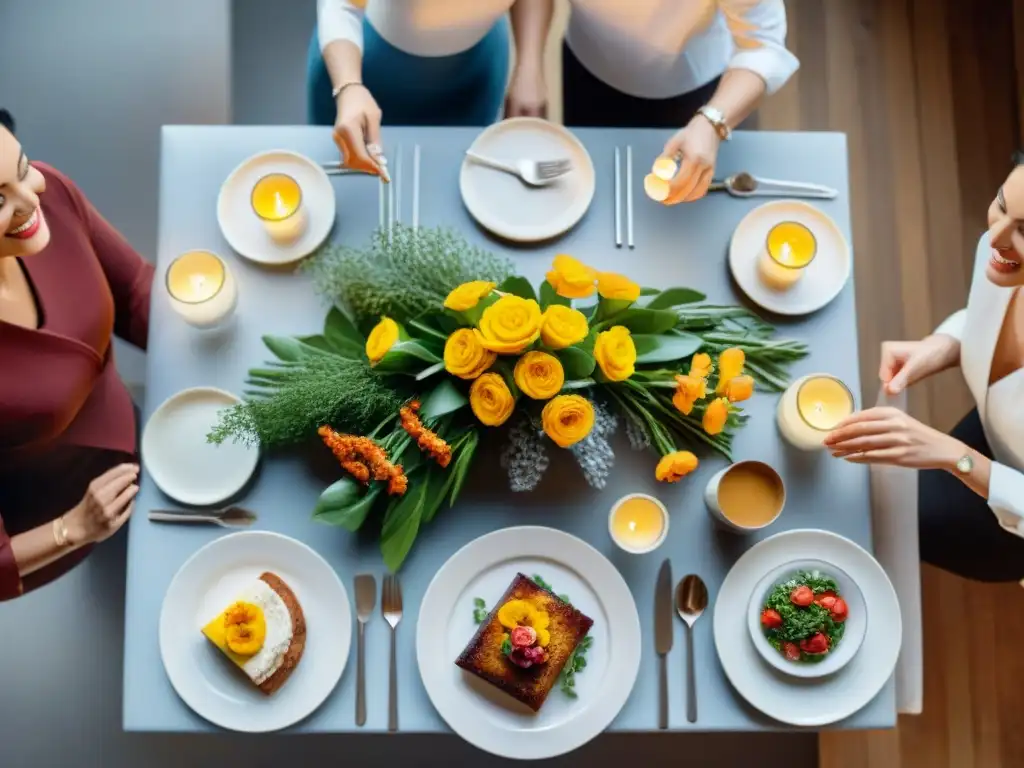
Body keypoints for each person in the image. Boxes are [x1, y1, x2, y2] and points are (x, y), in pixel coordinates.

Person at [825, 154, 1024, 583]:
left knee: (911, 521)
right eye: (1002, 205)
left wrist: (957, 458)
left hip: (1015, 518)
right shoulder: (1003, 255)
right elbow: (982, 314)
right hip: (1000, 430)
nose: (995, 236)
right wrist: (942, 344)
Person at [0, 109, 154, 600]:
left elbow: (133, 289)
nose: (30, 201)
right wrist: (74, 528)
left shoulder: (54, 197)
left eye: (23, 169)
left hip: (135, 428)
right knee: (124, 594)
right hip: (59, 506)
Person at [548, 0, 798, 204]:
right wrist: (529, 63)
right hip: (587, 72)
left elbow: (764, 45)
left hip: (698, 96)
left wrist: (712, 123)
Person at [308, 0, 552, 177]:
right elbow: (341, 5)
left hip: (473, 76)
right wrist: (349, 85)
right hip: (364, 71)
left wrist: (530, 63)